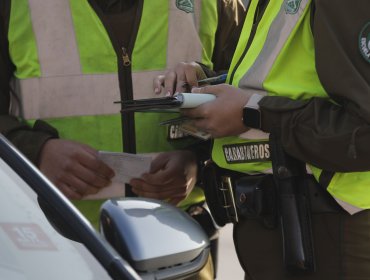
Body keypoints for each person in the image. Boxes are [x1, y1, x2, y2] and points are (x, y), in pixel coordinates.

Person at [0, 0, 246, 278]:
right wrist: (35, 154)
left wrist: (199, 163)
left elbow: (251, 111)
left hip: (178, 253)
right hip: (49, 249)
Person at [130, 0, 370, 279]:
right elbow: (284, 86)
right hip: (285, 235)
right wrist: (209, 87)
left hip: (329, 235)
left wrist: (254, 112)